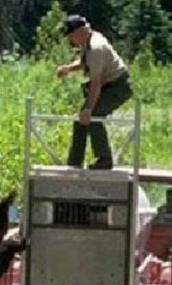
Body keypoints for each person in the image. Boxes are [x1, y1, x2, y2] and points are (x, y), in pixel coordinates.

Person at [56, 15, 133, 170]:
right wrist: (68, 68)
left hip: (118, 87)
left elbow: (96, 83)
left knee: (93, 116)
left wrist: (89, 109)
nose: (70, 39)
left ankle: (105, 159)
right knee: (80, 121)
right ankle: (74, 163)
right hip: (108, 85)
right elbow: (84, 62)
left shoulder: (96, 47)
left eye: (71, 35)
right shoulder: (88, 42)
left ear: (80, 31)